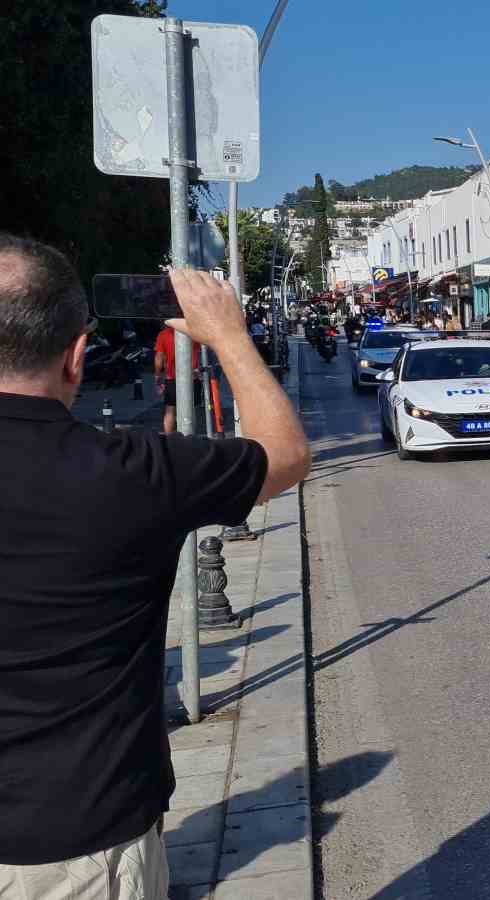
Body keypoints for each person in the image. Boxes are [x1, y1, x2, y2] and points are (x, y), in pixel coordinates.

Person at [0, 237, 310, 897]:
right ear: (77, 357)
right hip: (76, 841)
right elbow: (283, 453)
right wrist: (228, 335)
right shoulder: (131, 474)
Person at [154, 323, 203, 434]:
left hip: (171, 377)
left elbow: (159, 357)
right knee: (192, 409)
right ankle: (189, 436)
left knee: (170, 409)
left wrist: (158, 375)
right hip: (192, 376)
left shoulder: (164, 335)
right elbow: (203, 352)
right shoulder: (194, 332)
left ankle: (169, 438)